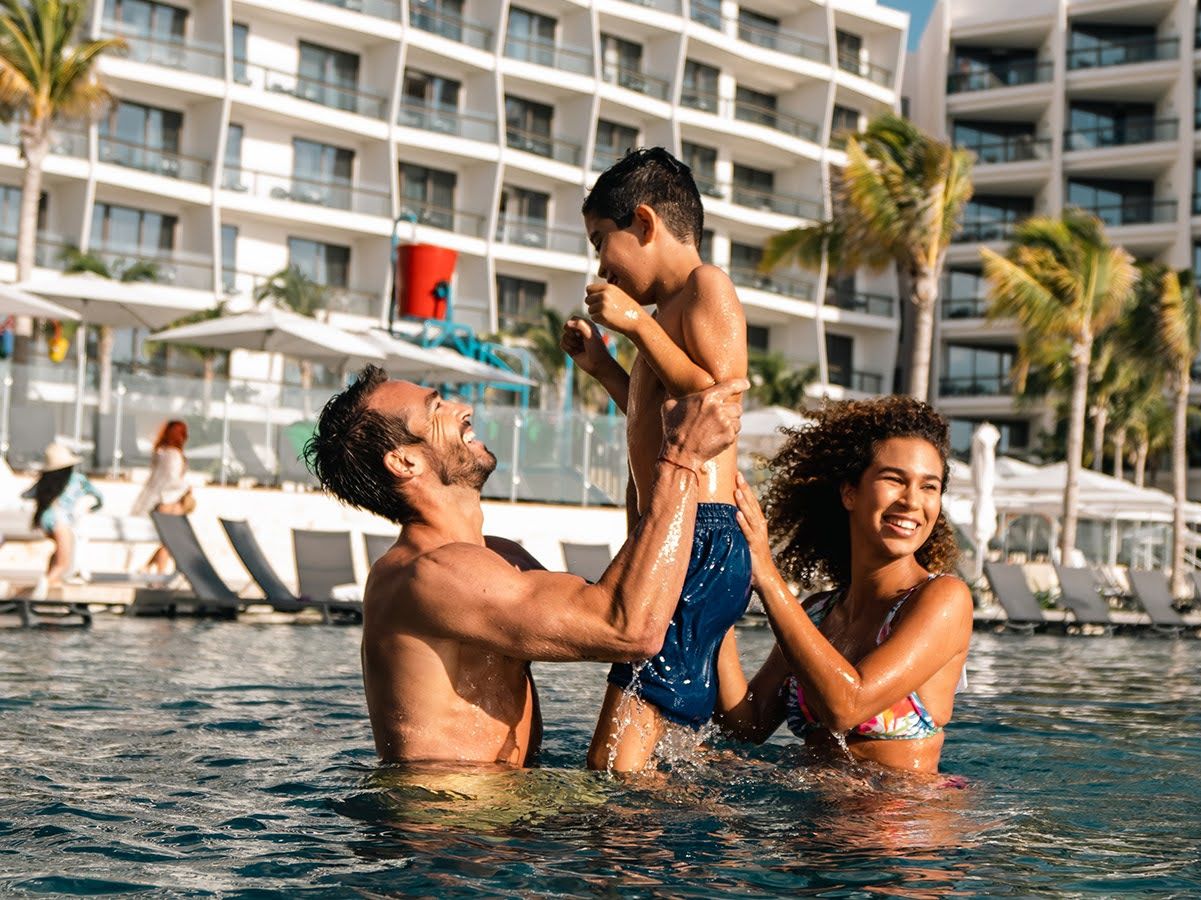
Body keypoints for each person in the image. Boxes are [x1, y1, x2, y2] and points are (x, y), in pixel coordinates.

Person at [301, 364, 746, 768]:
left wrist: (638, 407)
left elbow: (632, 598)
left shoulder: (498, 557)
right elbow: (628, 630)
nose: (463, 408)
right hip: (445, 821)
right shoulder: (428, 575)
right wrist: (681, 458)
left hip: (507, 810)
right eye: (436, 408)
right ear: (404, 461)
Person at [562, 147, 751, 773]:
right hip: (674, 537)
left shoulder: (706, 286)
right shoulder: (664, 315)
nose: (600, 266)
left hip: (700, 536)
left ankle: (635, 843)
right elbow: (659, 422)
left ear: (643, 223)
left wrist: (637, 328)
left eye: (601, 242)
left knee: (614, 764)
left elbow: (719, 404)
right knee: (660, 756)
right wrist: (603, 368)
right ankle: (701, 825)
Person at [714, 397, 974, 774]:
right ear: (849, 492)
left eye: (929, 487)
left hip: (903, 809)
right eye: (894, 480)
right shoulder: (818, 613)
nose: (912, 501)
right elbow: (747, 725)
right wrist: (715, 605)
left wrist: (767, 576)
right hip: (812, 804)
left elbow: (847, 706)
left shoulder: (944, 599)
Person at [22, 443, 104, 595]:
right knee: (64, 562)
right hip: (61, 521)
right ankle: (46, 582)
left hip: (44, 520)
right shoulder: (77, 479)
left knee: (58, 552)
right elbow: (99, 496)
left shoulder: (45, 481)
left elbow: (25, 495)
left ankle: (51, 581)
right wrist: (93, 507)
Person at [131, 419, 192, 574]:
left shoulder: (160, 452)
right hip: (169, 500)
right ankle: (159, 574)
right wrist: (187, 487)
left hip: (158, 499)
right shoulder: (174, 455)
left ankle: (149, 568)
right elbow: (172, 479)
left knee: (170, 540)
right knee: (170, 540)